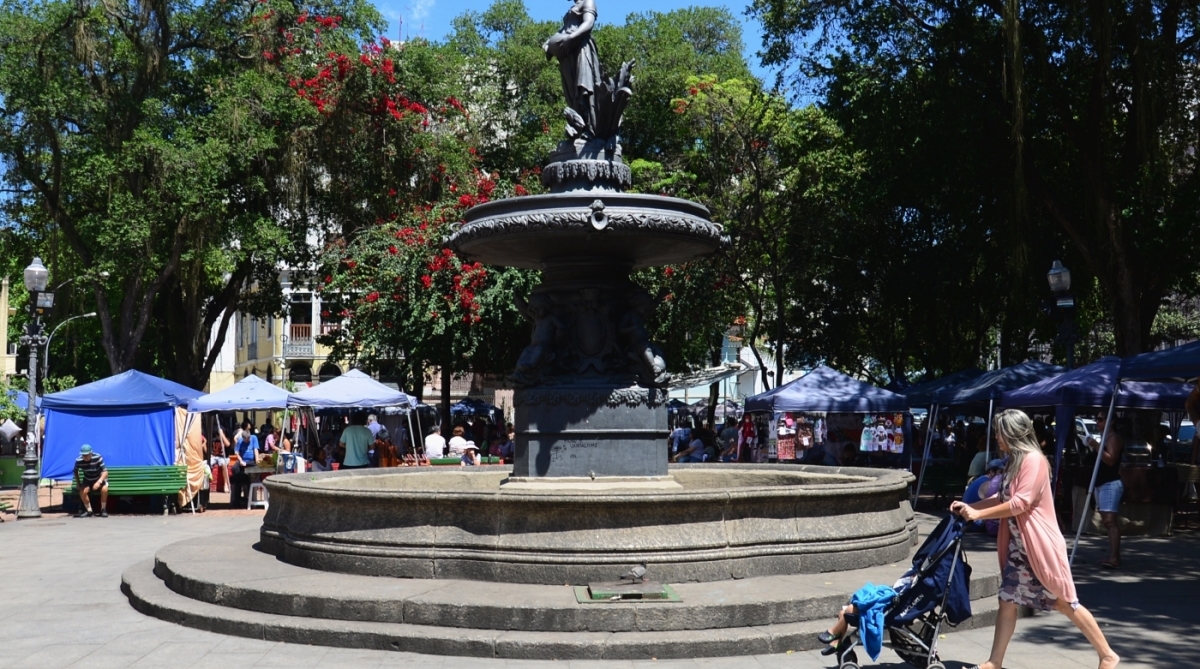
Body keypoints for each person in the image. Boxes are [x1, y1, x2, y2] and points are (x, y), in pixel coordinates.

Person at [951, 409, 1120, 669]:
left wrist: (978, 513)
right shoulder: (1014, 461)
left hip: (1039, 546)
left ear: (1012, 433)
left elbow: (1021, 503)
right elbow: (1003, 498)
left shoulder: (1034, 460)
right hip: (1021, 548)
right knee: (1007, 599)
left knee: (1064, 601)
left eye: (999, 432)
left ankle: (1107, 654)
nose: (996, 436)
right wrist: (970, 507)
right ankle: (994, 662)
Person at [1086, 414, 1124, 569]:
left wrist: (1096, 445)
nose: (1097, 422)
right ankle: (1113, 555)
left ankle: (1115, 558)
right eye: (1097, 419)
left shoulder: (1114, 438)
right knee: (1107, 522)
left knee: (1110, 521)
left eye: (1101, 419)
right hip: (1101, 483)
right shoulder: (1105, 438)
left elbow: (1111, 460)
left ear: (1111, 421)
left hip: (1110, 483)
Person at [73, 444, 108, 518]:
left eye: (87, 455)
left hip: (99, 478)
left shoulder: (98, 457)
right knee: (82, 491)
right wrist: (78, 483)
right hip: (88, 479)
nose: (85, 457)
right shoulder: (78, 460)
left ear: (91, 453)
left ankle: (103, 509)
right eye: (83, 455)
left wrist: (99, 482)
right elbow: (75, 471)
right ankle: (89, 511)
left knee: (104, 489)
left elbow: (105, 472)